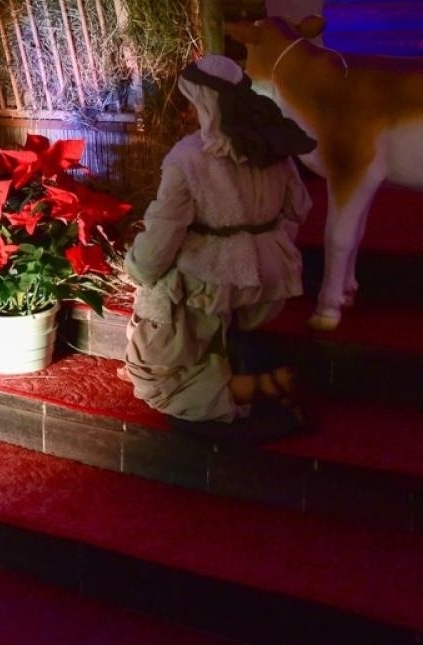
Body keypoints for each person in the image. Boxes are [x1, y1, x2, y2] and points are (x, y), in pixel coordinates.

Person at [122, 55, 316, 423]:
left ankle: (257, 387)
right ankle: (224, 366)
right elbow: (299, 209)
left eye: (190, 101)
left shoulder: (189, 158)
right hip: (270, 281)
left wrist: (137, 269)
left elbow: (160, 240)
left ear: (204, 102)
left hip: (215, 283)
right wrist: (267, 245)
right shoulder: (272, 145)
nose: (187, 111)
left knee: (150, 381)